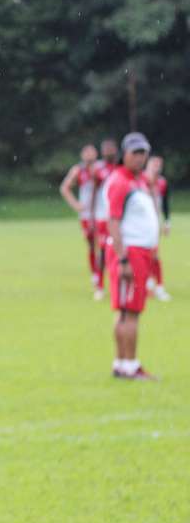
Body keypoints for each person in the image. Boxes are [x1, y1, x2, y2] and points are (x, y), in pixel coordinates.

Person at [105, 132, 159, 380]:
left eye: (143, 153)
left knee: (126, 311)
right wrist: (123, 258)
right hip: (131, 252)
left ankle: (121, 363)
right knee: (131, 312)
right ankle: (130, 365)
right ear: (124, 154)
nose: (140, 157)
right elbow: (113, 223)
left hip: (141, 251)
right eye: (135, 152)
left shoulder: (138, 181)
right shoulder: (120, 181)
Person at [59, 144, 100, 292]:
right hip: (86, 215)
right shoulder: (78, 170)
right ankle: (95, 274)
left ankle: (100, 275)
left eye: (92, 152)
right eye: (86, 152)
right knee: (91, 244)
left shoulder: (101, 169)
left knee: (102, 244)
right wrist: (76, 205)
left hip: (101, 213)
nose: (89, 155)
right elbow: (64, 188)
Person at [90, 138, 119, 300]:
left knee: (121, 249)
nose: (108, 152)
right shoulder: (98, 169)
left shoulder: (122, 167)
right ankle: (100, 286)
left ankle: (122, 283)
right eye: (105, 149)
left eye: (110, 149)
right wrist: (93, 217)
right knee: (102, 251)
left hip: (118, 216)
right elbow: (94, 193)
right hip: (102, 216)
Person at [144, 154, 172, 301]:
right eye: (154, 164)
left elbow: (165, 204)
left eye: (159, 165)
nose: (156, 168)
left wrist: (166, 222)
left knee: (153, 254)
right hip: (140, 224)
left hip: (153, 224)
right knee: (145, 254)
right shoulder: (141, 180)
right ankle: (148, 284)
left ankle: (158, 286)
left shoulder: (162, 183)